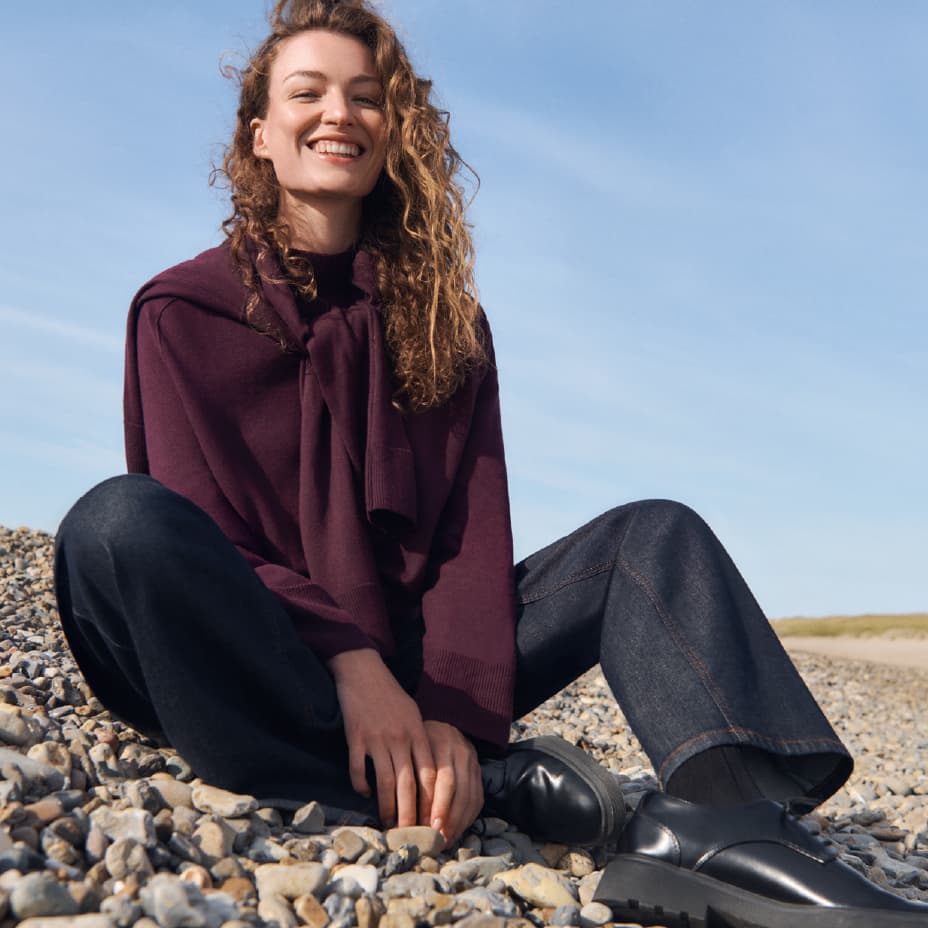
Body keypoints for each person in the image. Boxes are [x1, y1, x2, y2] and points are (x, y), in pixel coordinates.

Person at [53, 2, 927, 925]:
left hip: (416, 657)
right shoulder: (180, 309)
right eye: (307, 93)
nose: (338, 114)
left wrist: (451, 713)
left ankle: (734, 830)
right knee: (116, 523)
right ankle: (496, 788)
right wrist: (356, 667)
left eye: (365, 96)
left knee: (654, 536)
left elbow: (472, 539)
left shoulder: (446, 326)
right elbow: (207, 532)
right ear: (260, 135)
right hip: (266, 651)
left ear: (393, 131)